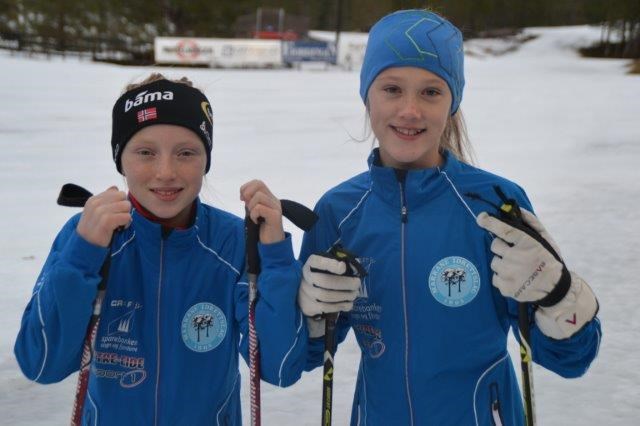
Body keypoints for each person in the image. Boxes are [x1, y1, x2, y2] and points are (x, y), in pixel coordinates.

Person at [295, 9, 602, 425]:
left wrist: (556, 293)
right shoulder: (339, 212)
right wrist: (310, 317)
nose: (410, 110)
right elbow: (309, 356)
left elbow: (571, 360)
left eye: (431, 92)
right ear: (367, 95)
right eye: (391, 89)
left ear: (452, 103)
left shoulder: (495, 204)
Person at [14, 73, 306, 425]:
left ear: (206, 159)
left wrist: (273, 254)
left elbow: (279, 365)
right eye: (145, 152)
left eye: (186, 153)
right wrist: (83, 253)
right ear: (120, 159)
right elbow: (41, 362)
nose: (166, 172)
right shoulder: (92, 236)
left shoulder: (231, 242)